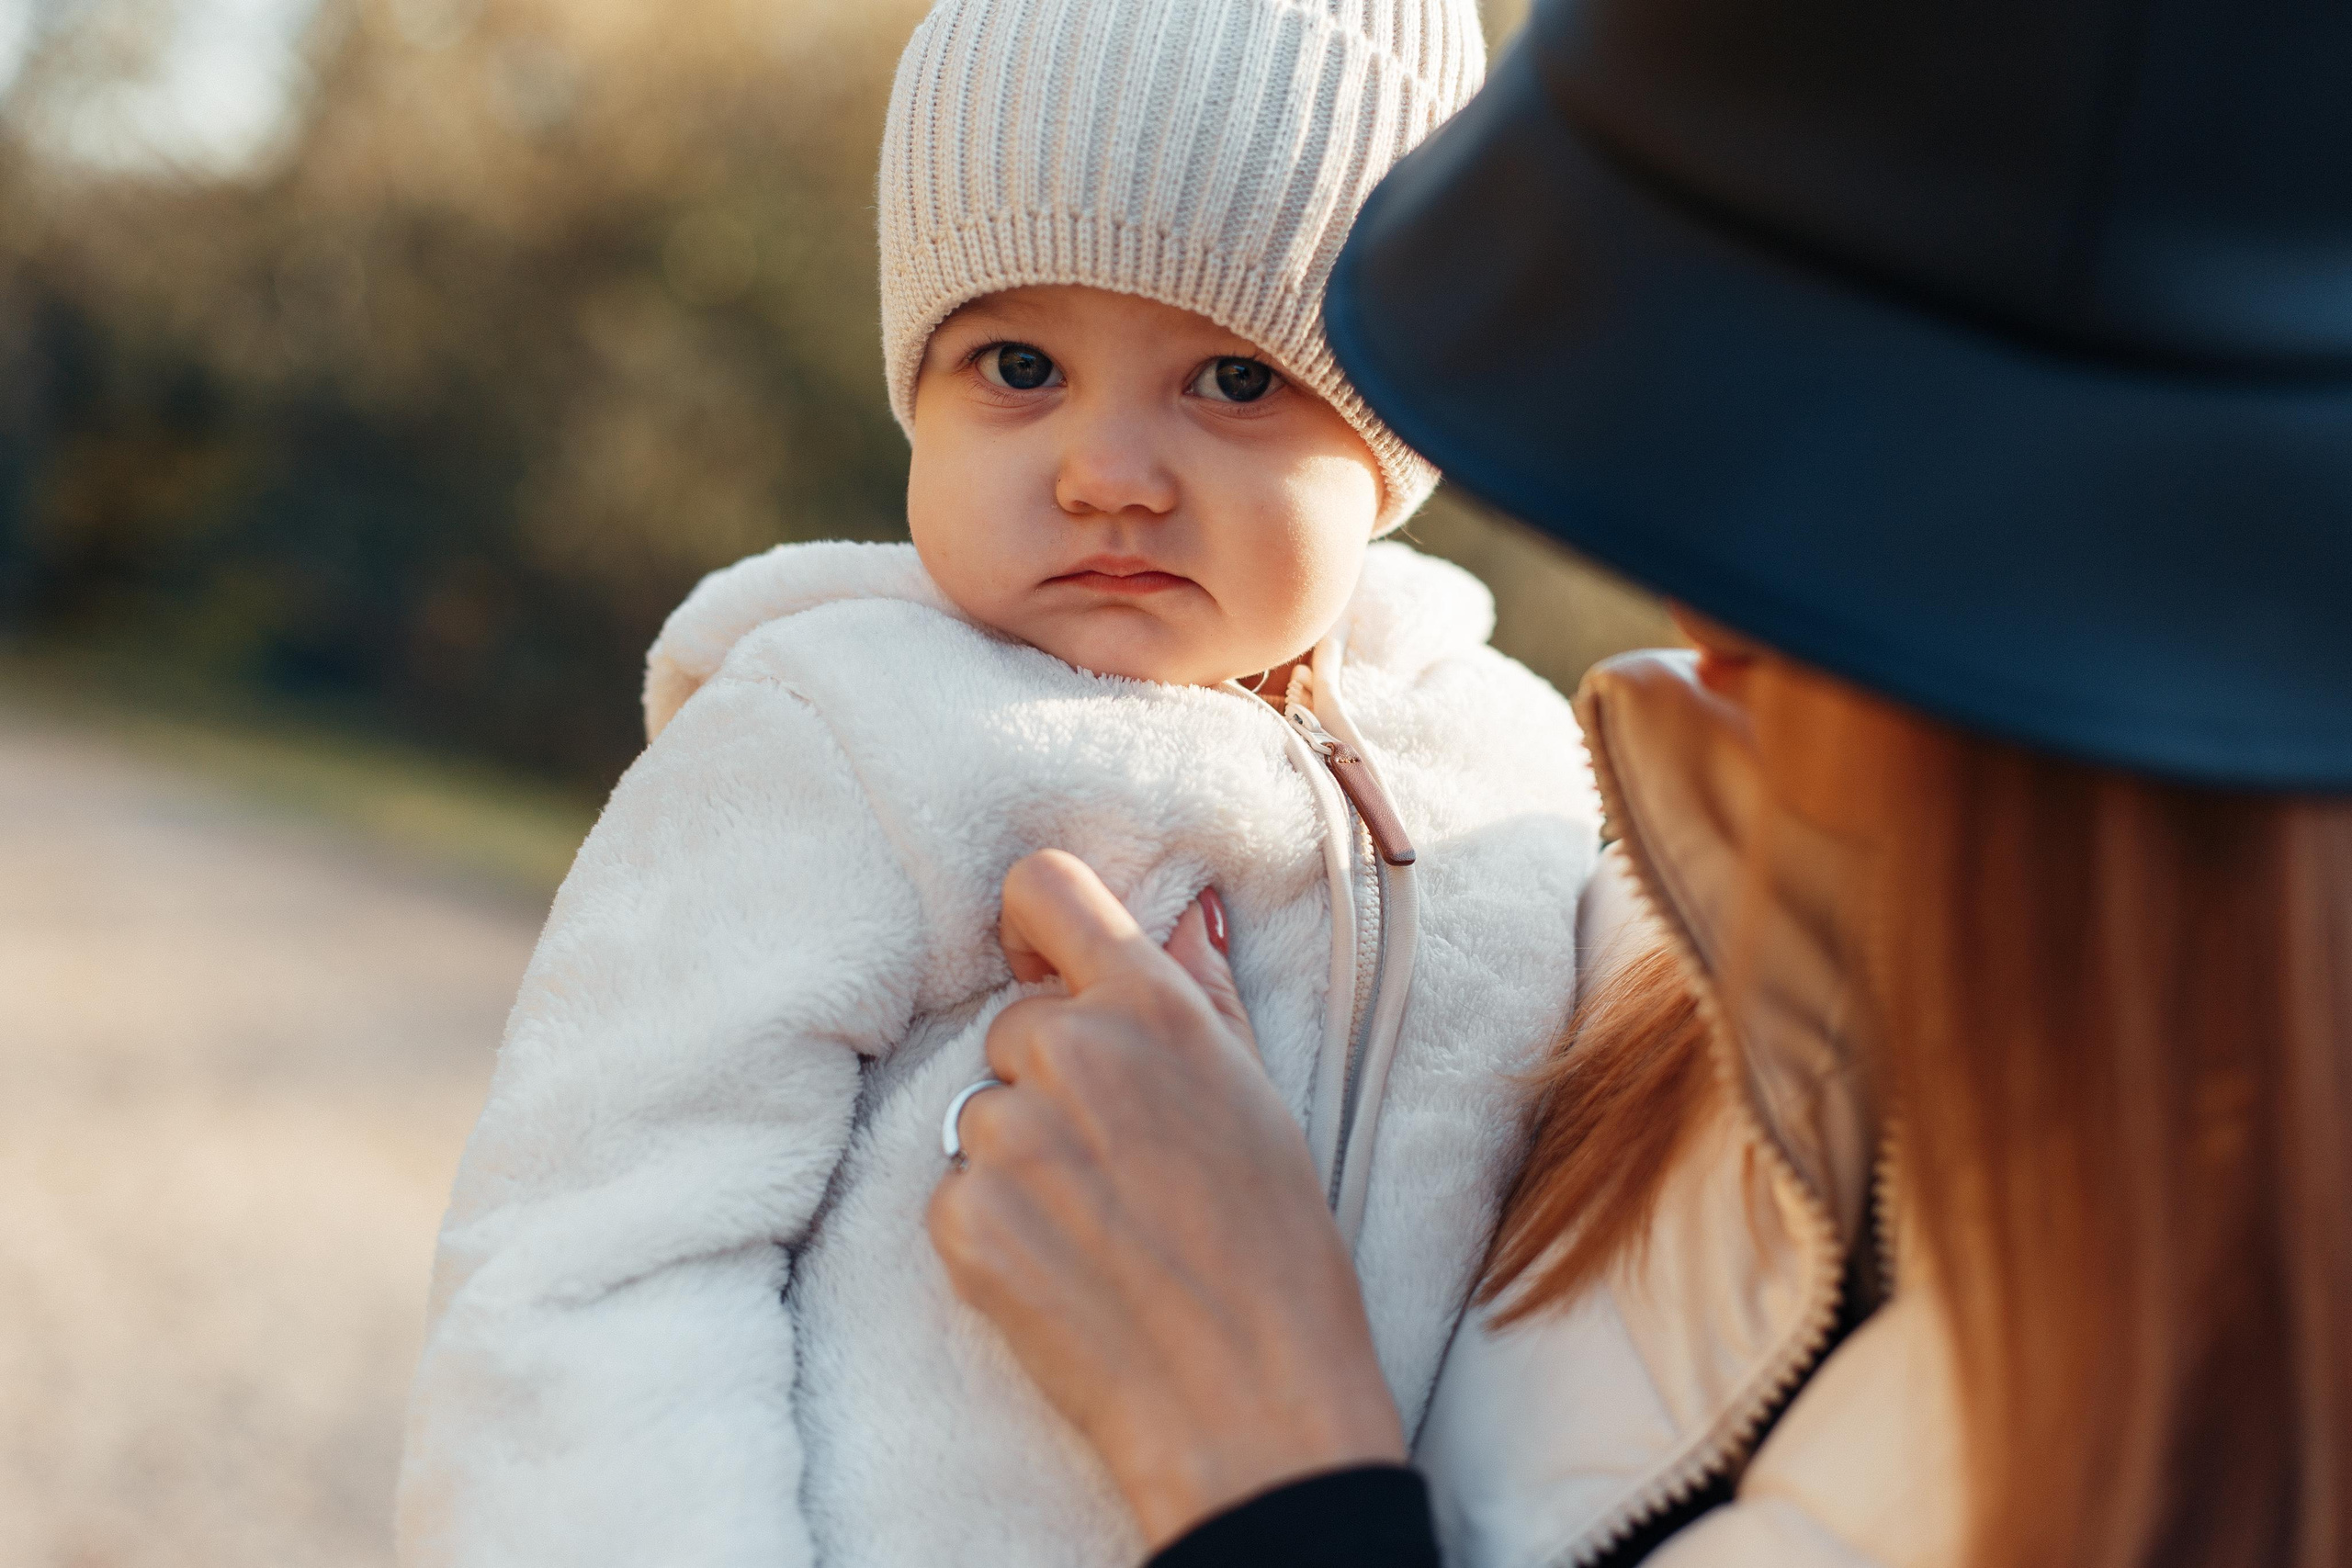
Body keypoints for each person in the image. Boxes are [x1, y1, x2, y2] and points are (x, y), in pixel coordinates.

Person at [924, 0, 2352, 1564]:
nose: (1690, 593)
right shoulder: (1600, 941)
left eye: (1801, 461)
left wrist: (1267, 1461)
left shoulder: (2232, 1419)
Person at [395, 3, 1611, 1564]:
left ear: (1392, 441)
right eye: (1020, 365)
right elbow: (586, 1270)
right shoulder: (834, 742)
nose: (1109, 467)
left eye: (1235, 382)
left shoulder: (1515, 787)